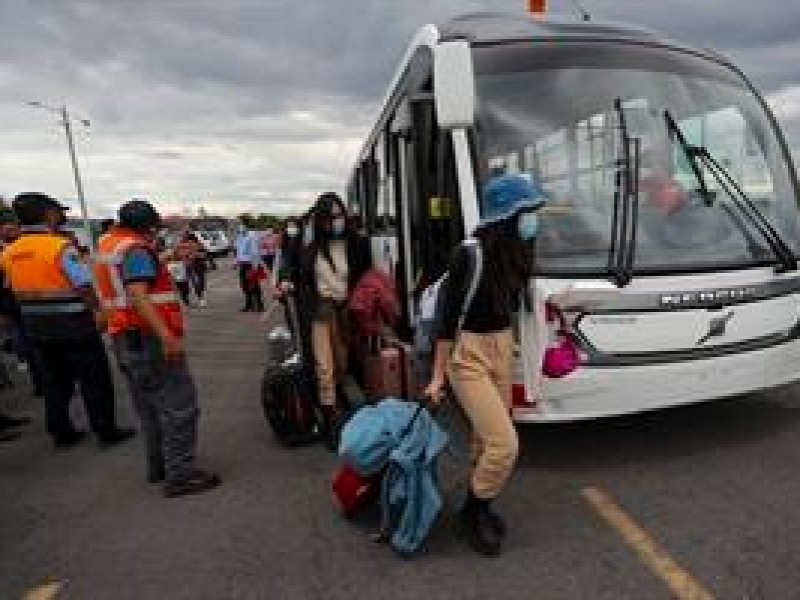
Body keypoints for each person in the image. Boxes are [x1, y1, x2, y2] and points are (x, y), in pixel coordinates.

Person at [424, 173, 547, 556]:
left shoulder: (516, 253)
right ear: (509, 215)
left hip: (501, 345)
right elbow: (446, 321)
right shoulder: (470, 254)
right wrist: (437, 376)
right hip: (467, 354)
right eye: (529, 212)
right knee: (504, 444)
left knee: (483, 438)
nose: (534, 220)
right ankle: (474, 509)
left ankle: (479, 507)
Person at [95, 200, 221, 497]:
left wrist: (167, 256)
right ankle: (181, 475)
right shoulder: (136, 250)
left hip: (124, 337)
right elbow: (138, 293)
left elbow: (125, 283)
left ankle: (159, 466)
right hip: (148, 339)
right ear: (148, 226)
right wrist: (166, 336)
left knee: (148, 407)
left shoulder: (110, 245)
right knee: (179, 406)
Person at [1, 193, 135, 449]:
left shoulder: (10, 251)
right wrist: (98, 312)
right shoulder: (59, 246)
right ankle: (105, 431)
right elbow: (83, 284)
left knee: (55, 382)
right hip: (74, 324)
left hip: (37, 327)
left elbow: (9, 287)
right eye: (57, 211)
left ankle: (62, 434)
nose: (60, 215)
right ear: (48, 214)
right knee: (94, 379)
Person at [287, 192, 371, 449]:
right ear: (322, 219)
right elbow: (292, 267)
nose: (337, 221)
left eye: (339, 215)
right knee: (324, 366)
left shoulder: (354, 243)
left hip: (345, 311)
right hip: (320, 311)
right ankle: (330, 420)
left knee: (342, 364)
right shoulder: (310, 247)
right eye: (331, 217)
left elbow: (363, 275)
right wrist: (285, 281)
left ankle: (339, 406)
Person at [234, 218, 264, 312]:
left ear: (245, 225)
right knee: (244, 285)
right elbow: (238, 250)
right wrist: (237, 261)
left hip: (251, 263)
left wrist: (255, 265)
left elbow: (255, 251)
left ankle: (259, 304)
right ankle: (249, 303)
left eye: (240, 224)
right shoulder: (239, 236)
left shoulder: (252, 235)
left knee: (254, 285)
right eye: (238, 225)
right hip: (242, 263)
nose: (239, 226)